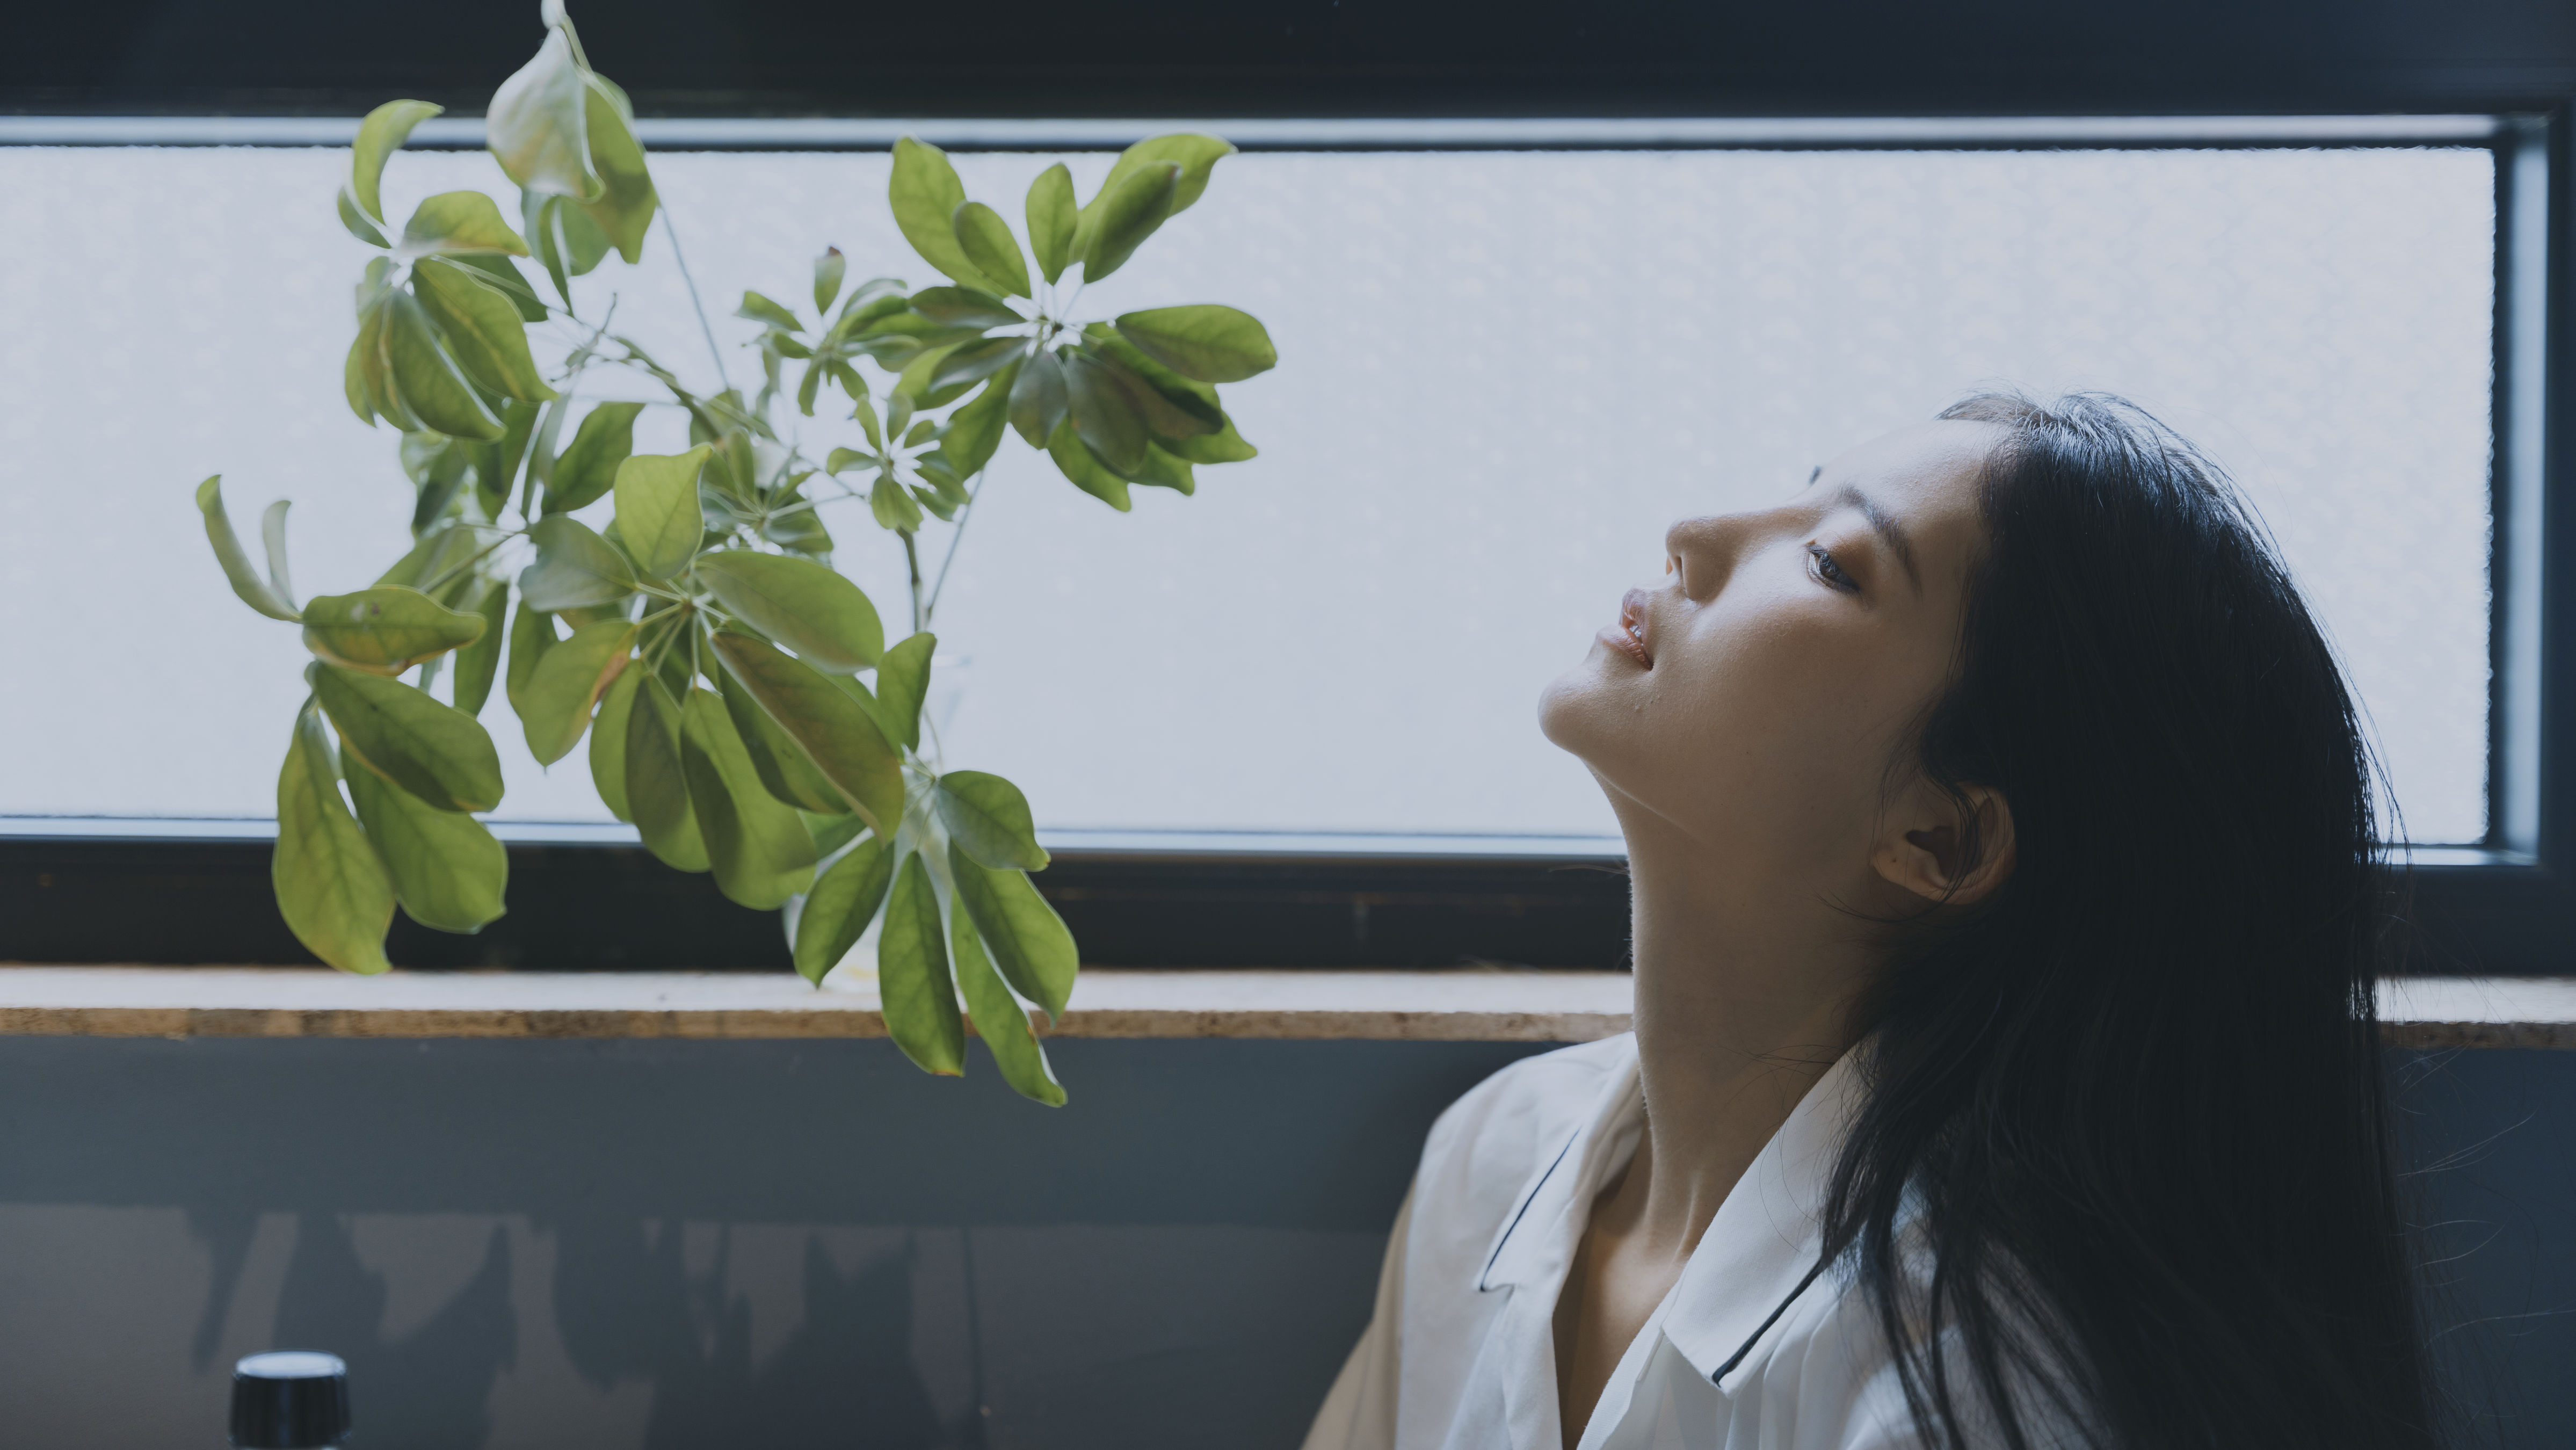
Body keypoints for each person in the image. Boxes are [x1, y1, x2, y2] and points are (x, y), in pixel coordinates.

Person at [1299, 392, 2442, 1450]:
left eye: (1831, 563)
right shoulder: (1494, 1157)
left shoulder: (1965, 1388)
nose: (1692, 530)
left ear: (1940, 841)